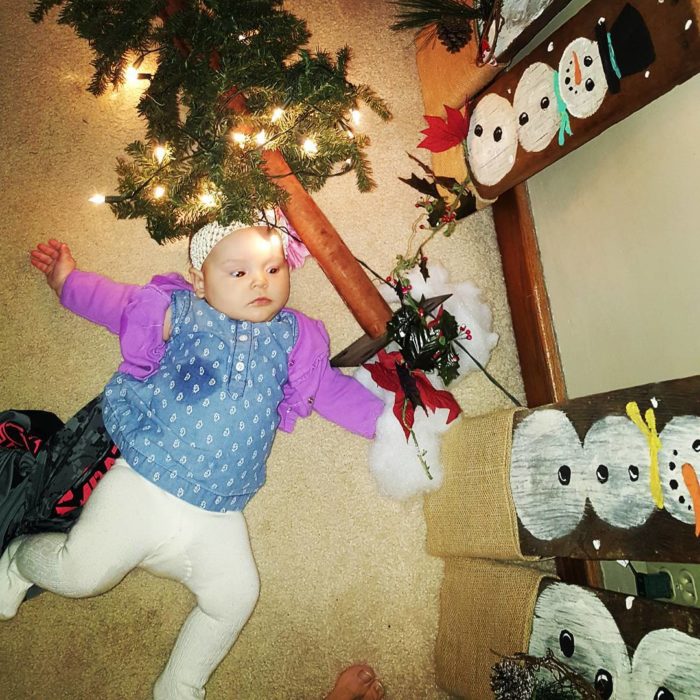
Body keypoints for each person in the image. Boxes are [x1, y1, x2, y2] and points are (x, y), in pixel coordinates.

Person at [1, 221, 385, 700]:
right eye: (239, 272)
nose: (261, 282)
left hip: (219, 512)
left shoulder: (292, 339)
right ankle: (18, 561)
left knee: (236, 596)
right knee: (81, 575)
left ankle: (180, 684)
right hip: (146, 482)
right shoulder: (182, 311)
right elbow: (117, 305)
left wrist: (389, 426)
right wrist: (67, 281)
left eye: (272, 268)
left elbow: (329, 390)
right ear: (201, 281)